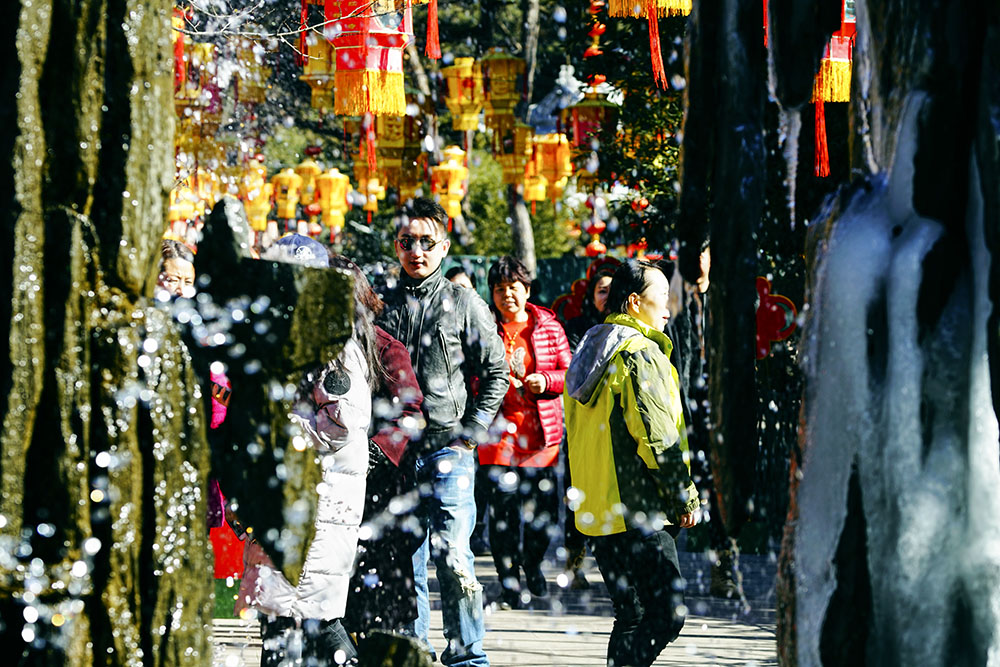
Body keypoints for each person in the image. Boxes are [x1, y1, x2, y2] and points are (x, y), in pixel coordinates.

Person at [376, 198, 508, 667]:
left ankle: (467, 655)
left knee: (453, 555)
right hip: (394, 452)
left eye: (426, 242)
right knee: (404, 559)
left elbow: (497, 371)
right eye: (407, 241)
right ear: (396, 245)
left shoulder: (463, 302)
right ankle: (415, 651)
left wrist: (471, 432)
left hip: (447, 448)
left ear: (444, 246)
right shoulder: (381, 301)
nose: (417, 251)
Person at [237, 235, 371, 666]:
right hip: (292, 500)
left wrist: (273, 427)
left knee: (309, 623)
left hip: (317, 504)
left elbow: (340, 424)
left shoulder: (330, 341)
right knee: (286, 624)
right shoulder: (288, 337)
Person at [563, 259, 701, 667]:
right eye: (663, 295)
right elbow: (657, 438)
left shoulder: (590, 349)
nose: (669, 307)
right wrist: (684, 495)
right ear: (636, 301)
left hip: (598, 511)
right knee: (668, 613)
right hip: (639, 509)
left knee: (631, 616)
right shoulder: (638, 353)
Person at [331, 255, 426, 643]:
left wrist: (374, 452)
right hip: (332, 486)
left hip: (381, 487)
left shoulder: (384, 347)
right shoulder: (315, 346)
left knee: (381, 599)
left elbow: (411, 411)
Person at [479, 256, 570, 609]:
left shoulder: (548, 327)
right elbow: (470, 373)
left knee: (542, 513)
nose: (506, 295)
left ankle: (531, 563)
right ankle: (509, 582)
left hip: (540, 436)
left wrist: (545, 380)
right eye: (499, 289)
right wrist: (491, 385)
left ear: (527, 290)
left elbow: (570, 373)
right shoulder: (483, 326)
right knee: (502, 516)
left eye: (513, 287)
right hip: (497, 436)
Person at [558, 263, 617, 589]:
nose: (606, 296)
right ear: (591, 295)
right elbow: (573, 370)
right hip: (581, 423)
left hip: (613, 424)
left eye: (611, 290)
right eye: (601, 290)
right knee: (576, 494)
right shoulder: (578, 327)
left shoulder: (625, 328)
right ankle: (574, 560)